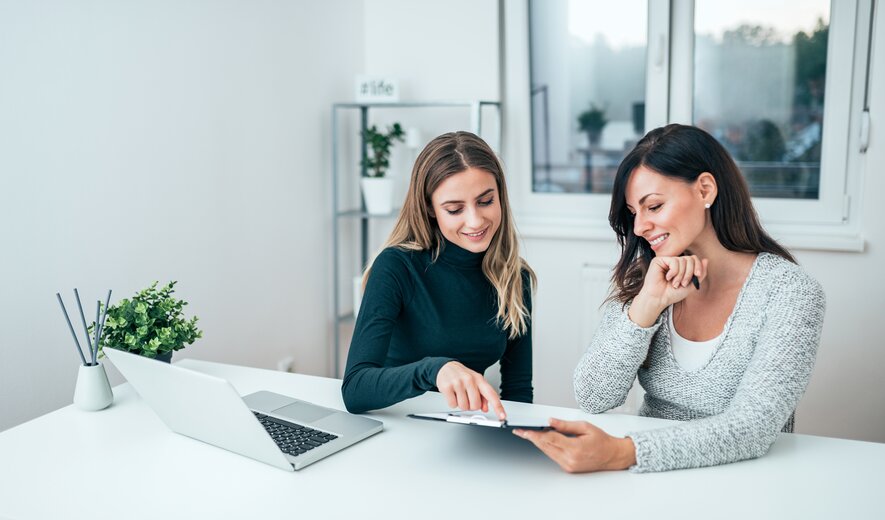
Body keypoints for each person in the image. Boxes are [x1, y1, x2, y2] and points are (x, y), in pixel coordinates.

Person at [514, 124, 825, 473]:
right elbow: (593, 395)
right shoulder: (648, 279)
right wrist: (646, 307)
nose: (639, 227)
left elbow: (753, 427)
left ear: (705, 189)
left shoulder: (789, 291)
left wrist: (624, 452)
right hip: (648, 479)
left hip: (742, 482)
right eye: (634, 213)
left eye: (654, 206)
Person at [341, 131, 536, 419]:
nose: (475, 220)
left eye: (486, 201)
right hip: (394, 425)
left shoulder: (513, 276)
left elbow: (518, 390)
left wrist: (516, 442)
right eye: (455, 209)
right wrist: (434, 369)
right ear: (430, 209)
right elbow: (355, 389)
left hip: (465, 431)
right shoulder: (396, 267)